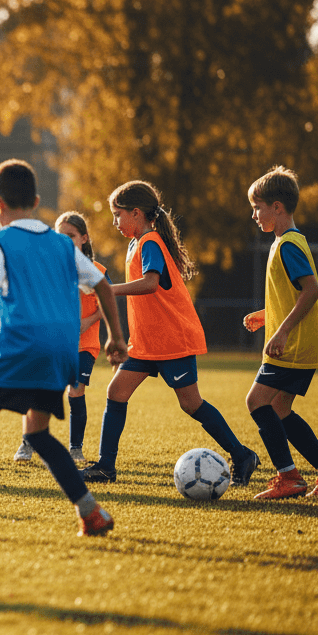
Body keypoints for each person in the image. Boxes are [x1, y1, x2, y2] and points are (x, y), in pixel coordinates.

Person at [0, 159, 127, 539]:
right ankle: (91, 512)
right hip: (61, 351)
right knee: (36, 433)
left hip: (20, 345)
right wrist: (117, 336)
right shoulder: (61, 244)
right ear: (34, 200)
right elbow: (101, 283)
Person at [81, 181, 261, 485]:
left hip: (172, 339)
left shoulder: (150, 240)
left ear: (136, 213)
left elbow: (151, 283)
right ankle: (106, 467)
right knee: (116, 392)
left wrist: (108, 289)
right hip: (147, 343)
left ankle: (243, 455)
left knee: (191, 403)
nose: (115, 222)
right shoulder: (135, 243)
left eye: (117, 214)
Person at [241, 166, 318, 499]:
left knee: (256, 402)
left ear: (277, 207)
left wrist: (283, 331)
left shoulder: (288, 244)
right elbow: (292, 292)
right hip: (304, 342)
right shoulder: (286, 242)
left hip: (295, 344)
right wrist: (267, 316)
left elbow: (312, 290)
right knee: (278, 409)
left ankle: (288, 477)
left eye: (258, 207)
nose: (254, 214)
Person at [14, 211, 104, 466]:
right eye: (60, 235)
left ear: (84, 238)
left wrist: (88, 321)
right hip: (51, 342)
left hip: (84, 345)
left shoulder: (97, 271)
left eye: (71, 235)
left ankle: (75, 448)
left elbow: (107, 303)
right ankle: (28, 441)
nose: (65, 240)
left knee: (75, 391)